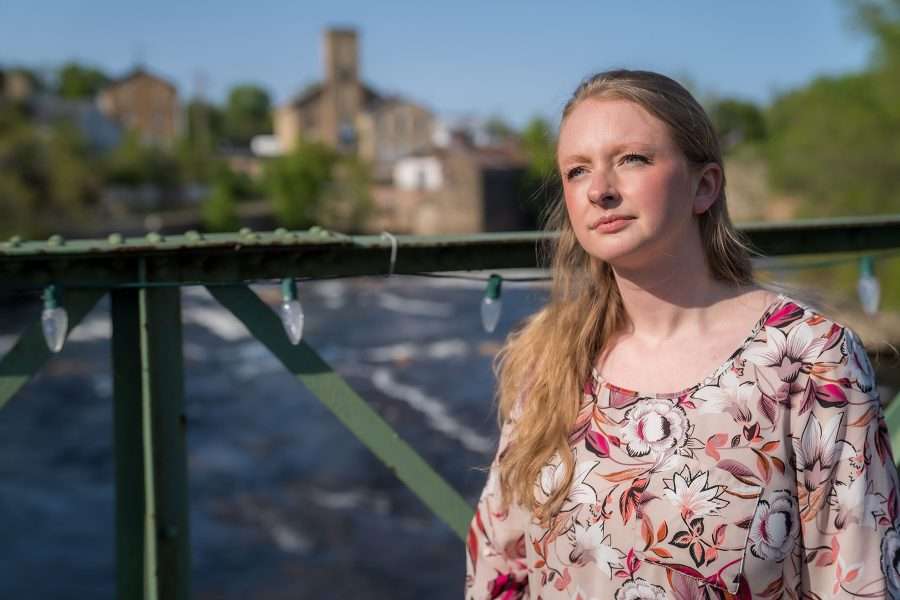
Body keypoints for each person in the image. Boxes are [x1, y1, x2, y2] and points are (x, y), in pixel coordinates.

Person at [464, 69, 900, 599]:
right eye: (577, 171)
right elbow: (499, 565)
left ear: (704, 185)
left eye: (632, 159)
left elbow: (860, 581)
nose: (600, 190)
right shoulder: (550, 355)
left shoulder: (808, 360)